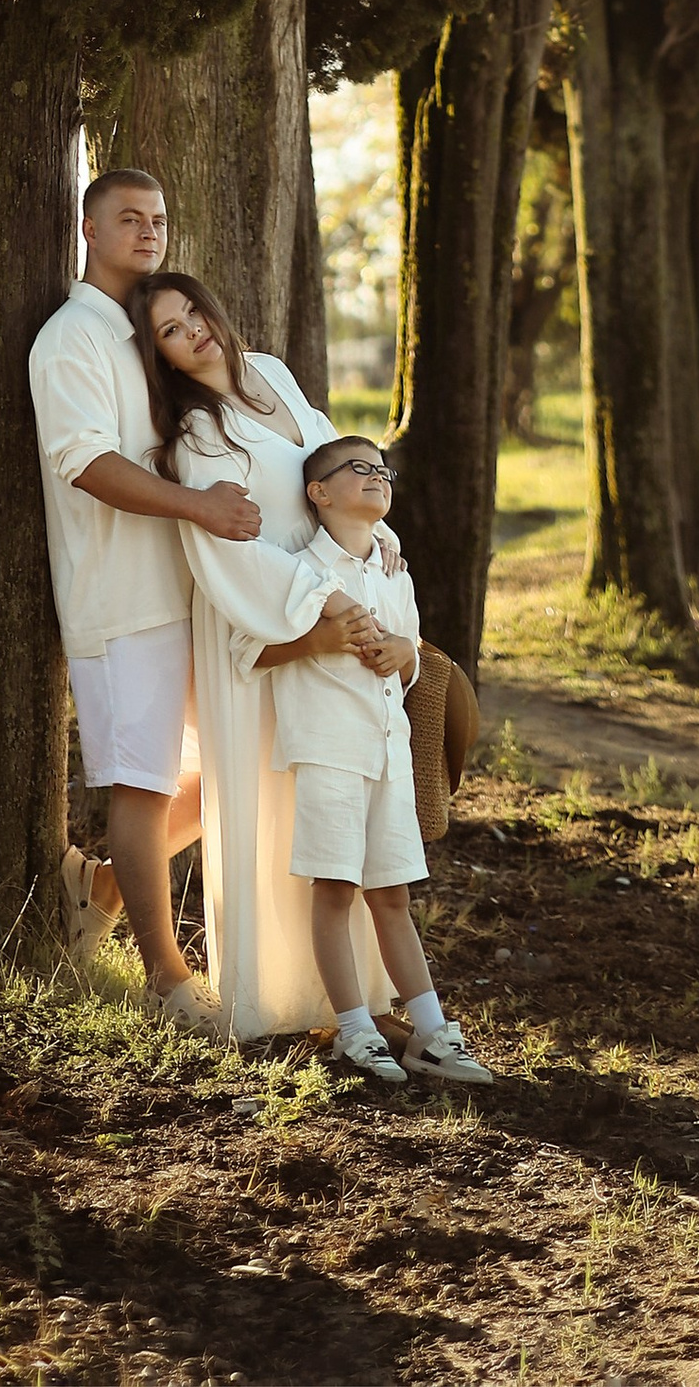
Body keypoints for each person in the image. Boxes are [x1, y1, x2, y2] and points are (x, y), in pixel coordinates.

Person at [132, 270, 398, 1042]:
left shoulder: (273, 374)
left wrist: (376, 539)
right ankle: (278, 1000)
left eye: (194, 313)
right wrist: (324, 603)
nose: (193, 331)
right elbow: (234, 552)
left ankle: (357, 999)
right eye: (171, 331)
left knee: (332, 798)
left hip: (331, 613)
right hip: (266, 629)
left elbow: (337, 464)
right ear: (165, 359)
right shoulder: (194, 437)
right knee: (273, 806)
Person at [27, 169, 256, 1033]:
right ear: (88, 228)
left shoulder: (145, 331)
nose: (149, 229)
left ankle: (107, 884)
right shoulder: (70, 338)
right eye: (128, 216)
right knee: (144, 783)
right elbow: (83, 460)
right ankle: (166, 977)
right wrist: (201, 506)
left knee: (239, 758)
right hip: (119, 595)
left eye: (159, 216)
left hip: (192, 588)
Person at [271, 434, 492, 1088]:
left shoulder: (396, 572)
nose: (375, 475)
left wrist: (405, 651)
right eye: (357, 468)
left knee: (390, 893)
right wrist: (323, 638)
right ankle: (356, 1029)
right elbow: (255, 650)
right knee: (336, 889)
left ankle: (430, 1032)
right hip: (329, 745)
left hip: (387, 749)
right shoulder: (301, 570)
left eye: (381, 468)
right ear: (319, 491)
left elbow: (414, 654)